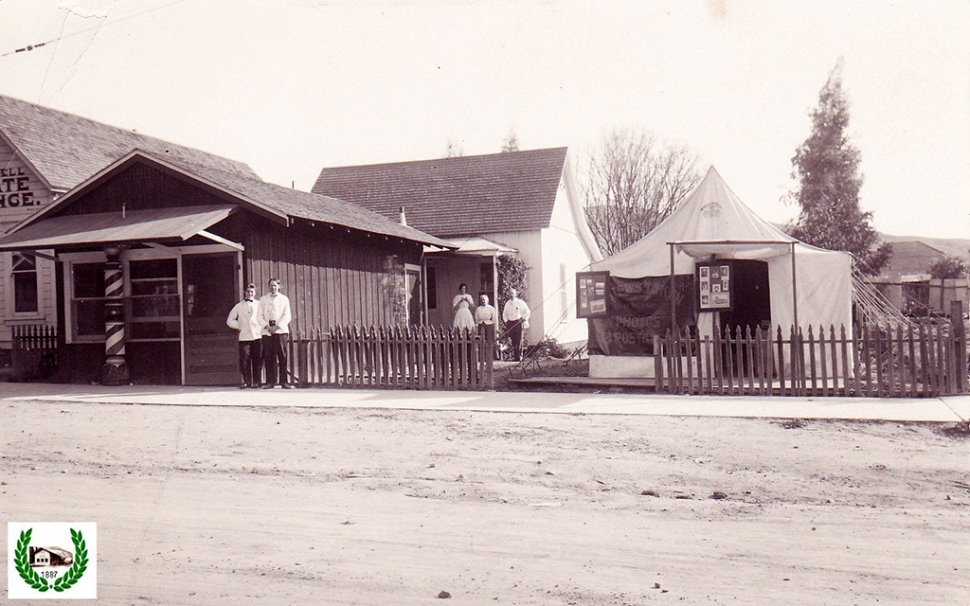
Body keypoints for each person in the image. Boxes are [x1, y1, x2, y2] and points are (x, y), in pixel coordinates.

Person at [258, 277, 293, 389]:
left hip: (280, 331)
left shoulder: (284, 299)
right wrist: (267, 326)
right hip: (267, 331)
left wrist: (277, 327)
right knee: (269, 357)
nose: (273, 288)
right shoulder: (263, 299)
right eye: (271, 285)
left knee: (282, 356)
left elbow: (287, 315)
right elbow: (259, 315)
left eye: (275, 285)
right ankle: (270, 382)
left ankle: (284, 382)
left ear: (279, 286)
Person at [226, 283, 262, 388]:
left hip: (257, 335)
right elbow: (229, 320)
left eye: (252, 292)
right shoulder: (239, 306)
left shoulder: (259, 305)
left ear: (255, 293)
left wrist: (261, 326)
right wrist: (240, 326)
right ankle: (246, 381)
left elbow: (265, 317)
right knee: (244, 359)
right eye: (248, 292)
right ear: (244, 293)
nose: (250, 293)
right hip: (245, 336)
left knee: (258, 359)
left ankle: (256, 381)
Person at [502, 288, 530, 361]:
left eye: (512, 293)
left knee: (519, 339)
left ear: (515, 294)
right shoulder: (507, 304)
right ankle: (515, 356)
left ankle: (520, 356)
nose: (511, 295)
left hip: (518, 322)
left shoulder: (520, 302)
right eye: (510, 293)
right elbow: (504, 314)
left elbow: (527, 311)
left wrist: (524, 318)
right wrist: (506, 321)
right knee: (513, 339)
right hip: (510, 323)